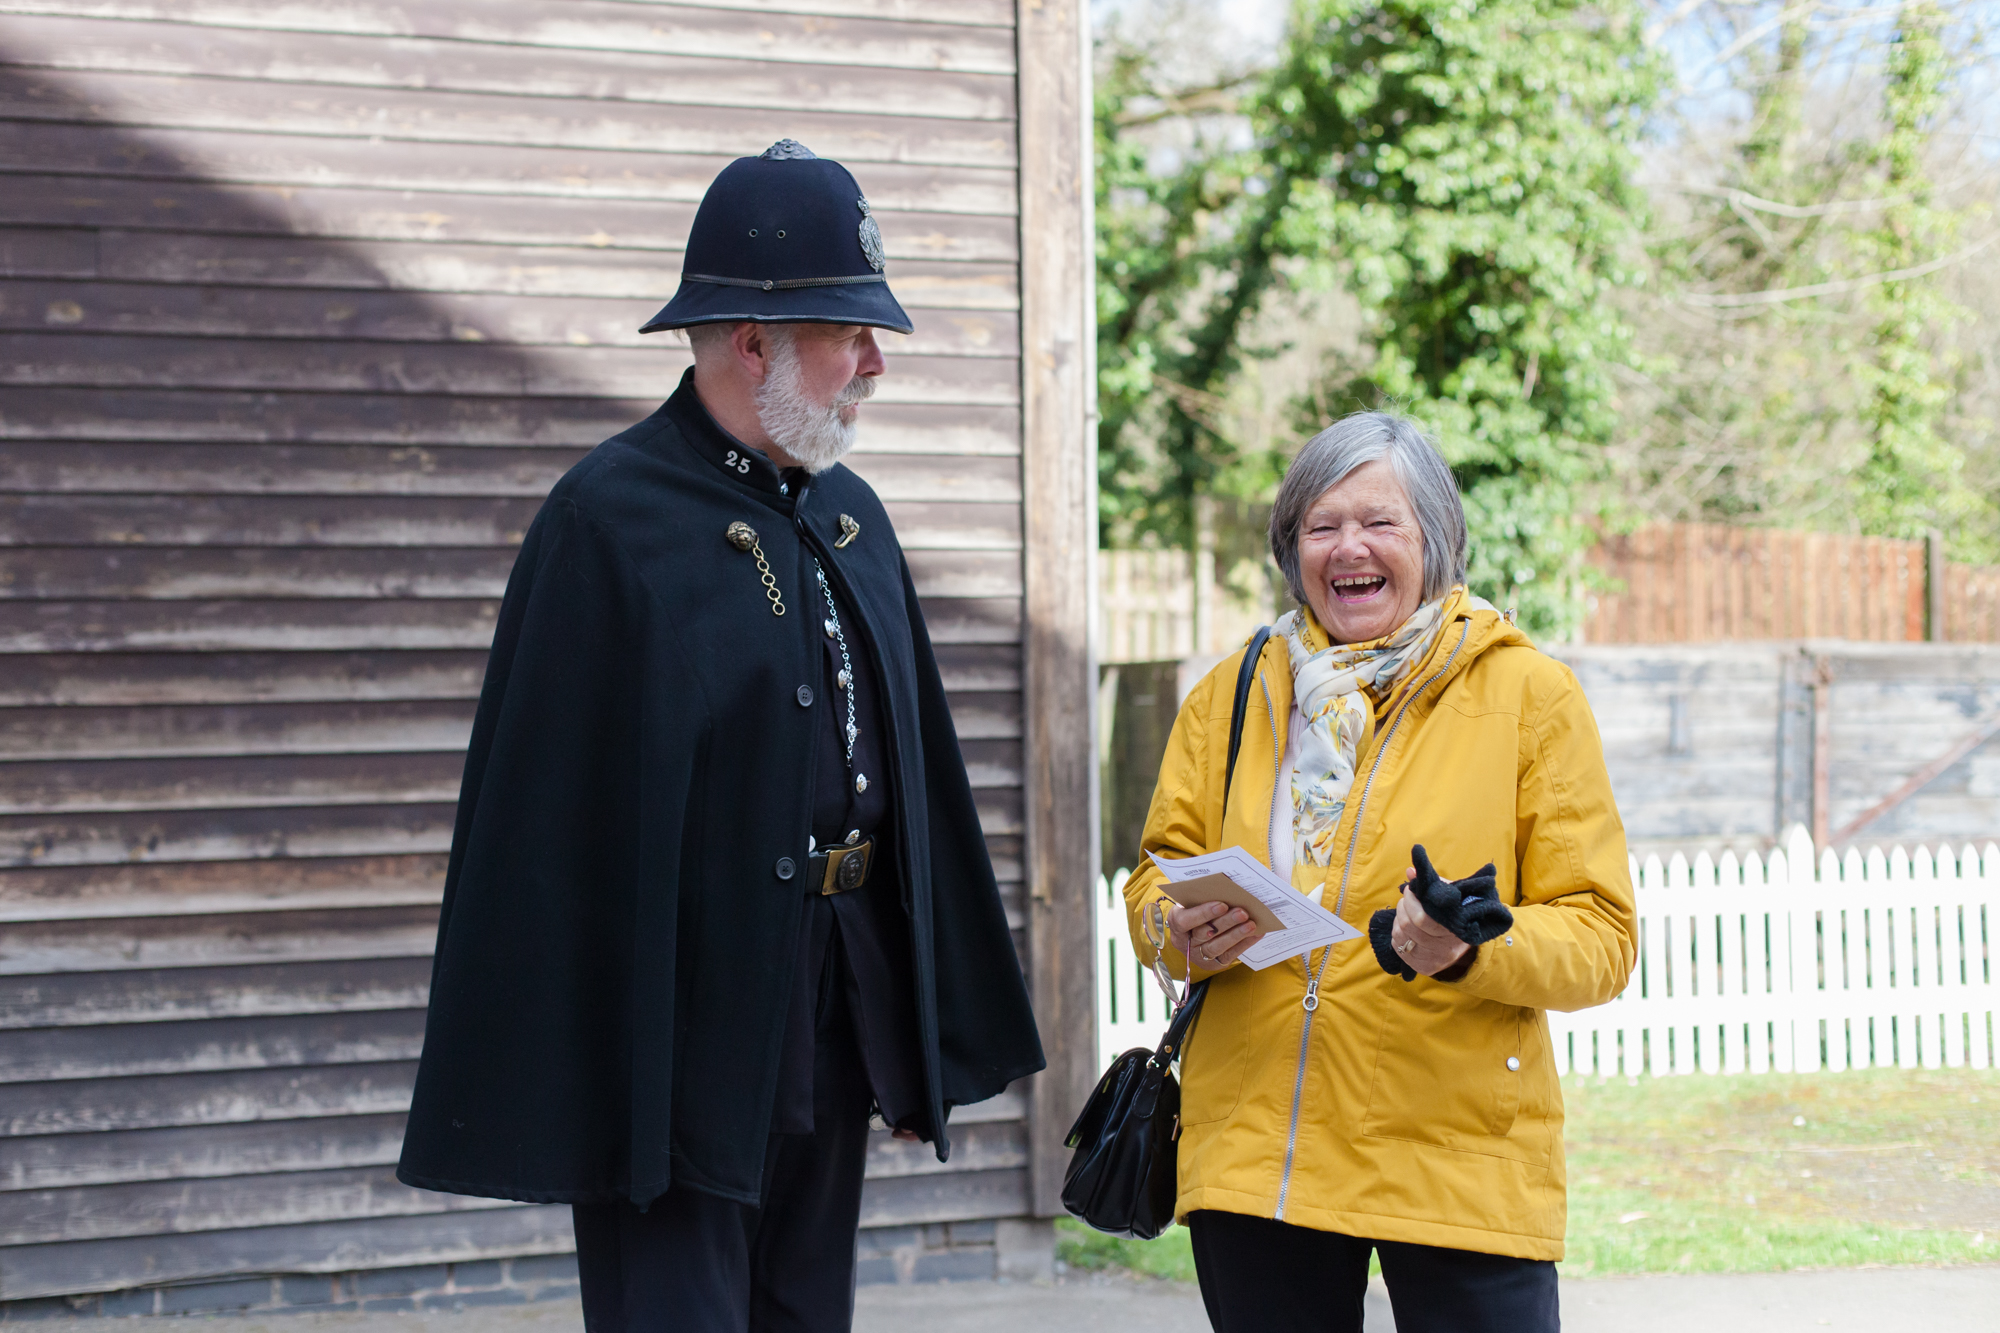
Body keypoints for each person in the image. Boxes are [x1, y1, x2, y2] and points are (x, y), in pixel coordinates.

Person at [397, 140, 1044, 1333]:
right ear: (753, 342)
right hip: (673, 1031)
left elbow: (910, 778)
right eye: (850, 335)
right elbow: (543, 827)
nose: (874, 365)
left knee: (806, 1309)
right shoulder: (608, 520)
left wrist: (910, 1022)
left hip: (833, 1008)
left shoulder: (851, 514)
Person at [1120, 412, 1635, 1333]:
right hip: (1257, 1154)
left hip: (1457, 1158)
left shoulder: (1529, 696)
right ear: (1292, 548)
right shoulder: (1231, 694)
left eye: (1379, 522)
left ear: (1434, 541)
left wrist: (1472, 946)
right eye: (1321, 525)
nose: (1348, 546)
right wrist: (1175, 927)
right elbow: (1155, 878)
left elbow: (1602, 935)